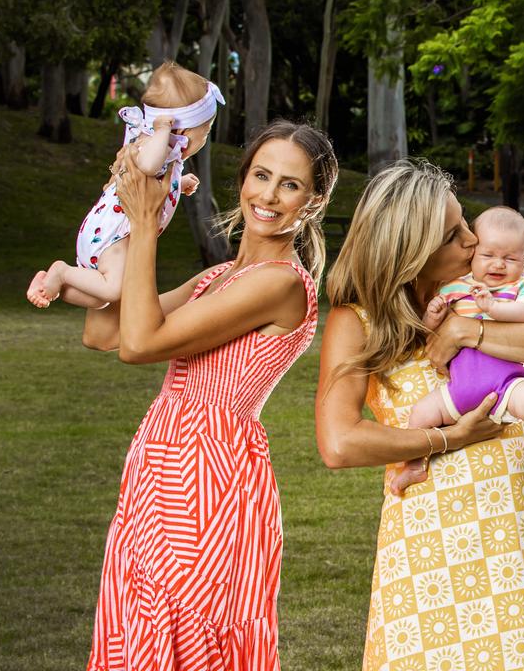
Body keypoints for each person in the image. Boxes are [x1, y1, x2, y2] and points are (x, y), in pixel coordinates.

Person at [314, 160, 524, 671]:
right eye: (453, 234)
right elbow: (339, 442)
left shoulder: (489, 286)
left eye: (465, 222)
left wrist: (470, 332)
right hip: (429, 542)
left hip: (512, 528)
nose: (472, 239)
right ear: (412, 249)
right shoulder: (358, 322)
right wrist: (450, 439)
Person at [80, 120, 338, 670]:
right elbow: (103, 333)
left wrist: (148, 226)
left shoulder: (282, 283)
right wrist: (119, 224)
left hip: (212, 477)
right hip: (158, 462)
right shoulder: (214, 278)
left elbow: (140, 343)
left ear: (313, 203)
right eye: (261, 175)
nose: (268, 195)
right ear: (242, 179)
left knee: (191, 632)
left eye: (289, 185)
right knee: (137, 623)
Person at [388, 206, 524, 496]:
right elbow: (428, 331)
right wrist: (433, 313)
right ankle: (415, 466)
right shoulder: (456, 285)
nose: (498, 265)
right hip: (459, 386)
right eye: (488, 255)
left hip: (506, 383)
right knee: (421, 415)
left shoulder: (522, 285)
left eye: (510, 258)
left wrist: (491, 309)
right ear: (475, 253)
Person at [28, 62, 224, 309]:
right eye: (204, 133)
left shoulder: (163, 153)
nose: (204, 140)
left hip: (108, 235)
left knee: (101, 299)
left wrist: (179, 183)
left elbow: (152, 178)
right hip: (113, 236)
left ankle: (51, 285)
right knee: (113, 288)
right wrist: (162, 129)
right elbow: (148, 166)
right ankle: (62, 272)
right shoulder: (154, 146)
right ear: (183, 129)